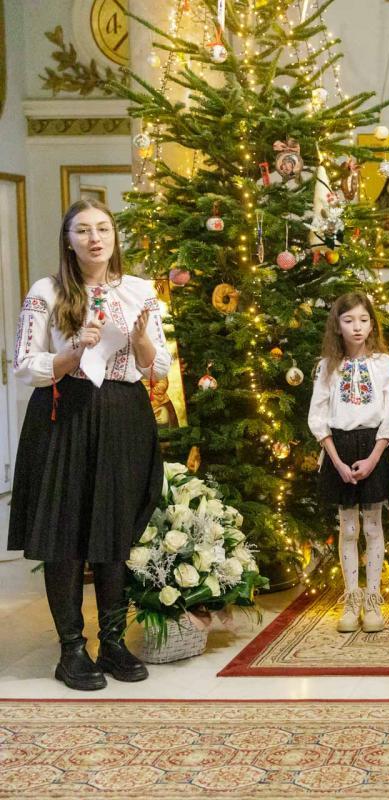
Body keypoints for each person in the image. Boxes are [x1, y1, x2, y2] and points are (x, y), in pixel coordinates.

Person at [10, 199, 171, 690]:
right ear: (68, 239)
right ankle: (72, 649)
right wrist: (75, 347)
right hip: (65, 412)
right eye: (83, 230)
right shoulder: (47, 291)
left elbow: (157, 367)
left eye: (103, 228)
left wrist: (140, 340)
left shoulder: (139, 291)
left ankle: (114, 642)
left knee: (114, 529)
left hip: (123, 413)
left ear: (114, 236)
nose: (94, 238)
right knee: (65, 530)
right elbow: (25, 366)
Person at [308, 292, 389, 635]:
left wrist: (375, 457)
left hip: (374, 445)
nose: (357, 327)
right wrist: (337, 462)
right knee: (347, 528)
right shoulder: (326, 367)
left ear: (372, 324)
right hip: (339, 448)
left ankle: (373, 599)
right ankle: (351, 599)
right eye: (349, 321)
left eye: (363, 320)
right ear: (338, 325)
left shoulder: (383, 363)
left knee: (372, 526)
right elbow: (318, 416)